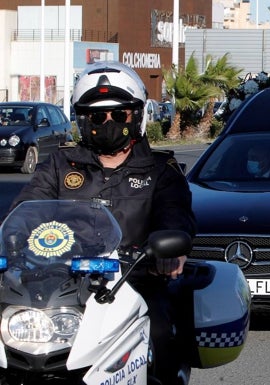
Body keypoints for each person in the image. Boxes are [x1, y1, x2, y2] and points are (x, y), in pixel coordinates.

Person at [8, 61, 196, 384]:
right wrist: (11, 236)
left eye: (119, 115)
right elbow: (25, 210)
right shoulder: (59, 166)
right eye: (97, 116)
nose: (108, 122)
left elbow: (176, 215)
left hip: (134, 285)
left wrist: (170, 249)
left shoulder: (160, 171)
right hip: (59, 287)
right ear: (83, 119)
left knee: (162, 331)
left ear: (136, 116)